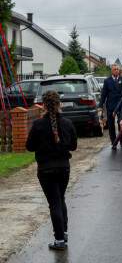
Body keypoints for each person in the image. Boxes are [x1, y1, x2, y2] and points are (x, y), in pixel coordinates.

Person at [26, 90, 77, 251]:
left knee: (54, 202)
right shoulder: (68, 124)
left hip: (46, 169)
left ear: (43, 106)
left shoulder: (38, 125)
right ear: (60, 105)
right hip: (63, 168)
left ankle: (59, 239)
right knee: (60, 199)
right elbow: (73, 146)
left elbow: (29, 146)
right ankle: (64, 231)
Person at [98, 64, 122, 149]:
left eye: (117, 69)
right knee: (111, 125)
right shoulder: (107, 81)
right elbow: (104, 94)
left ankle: (121, 139)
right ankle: (113, 141)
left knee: (120, 124)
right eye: (114, 69)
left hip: (121, 106)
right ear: (111, 71)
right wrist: (100, 105)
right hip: (111, 105)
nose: (116, 71)